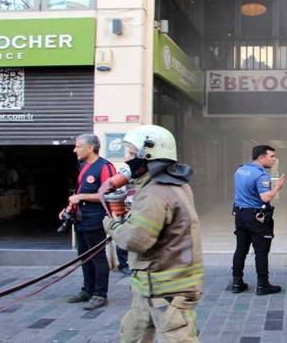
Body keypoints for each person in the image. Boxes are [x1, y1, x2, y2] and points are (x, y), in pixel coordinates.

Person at [103, 124, 203, 342]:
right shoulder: (171, 185)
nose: (127, 160)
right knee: (134, 333)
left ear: (147, 155)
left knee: (177, 337)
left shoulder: (155, 193)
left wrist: (111, 225)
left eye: (130, 153)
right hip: (150, 282)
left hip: (168, 287)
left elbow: (136, 239)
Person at [63, 134, 116, 310]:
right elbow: (79, 192)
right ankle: (88, 289)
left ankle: (100, 294)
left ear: (90, 148)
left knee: (98, 258)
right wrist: (68, 208)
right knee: (84, 256)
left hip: (96, 219)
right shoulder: (84, 166)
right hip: (81, 219)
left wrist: (81, 197)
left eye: (78, 146)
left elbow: (108, 195)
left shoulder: (105, 167)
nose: (74, 149)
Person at [231, 145, 285, 295]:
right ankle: (263, 285)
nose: (274, 159)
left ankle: (237, 282)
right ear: (261, 157)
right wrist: (277, 187)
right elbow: (266, 197)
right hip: (256, 218)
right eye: (272, 156)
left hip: (240, 215)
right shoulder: (261, 175)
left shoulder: (240, 170)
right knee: (261, 251)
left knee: (241, 249)